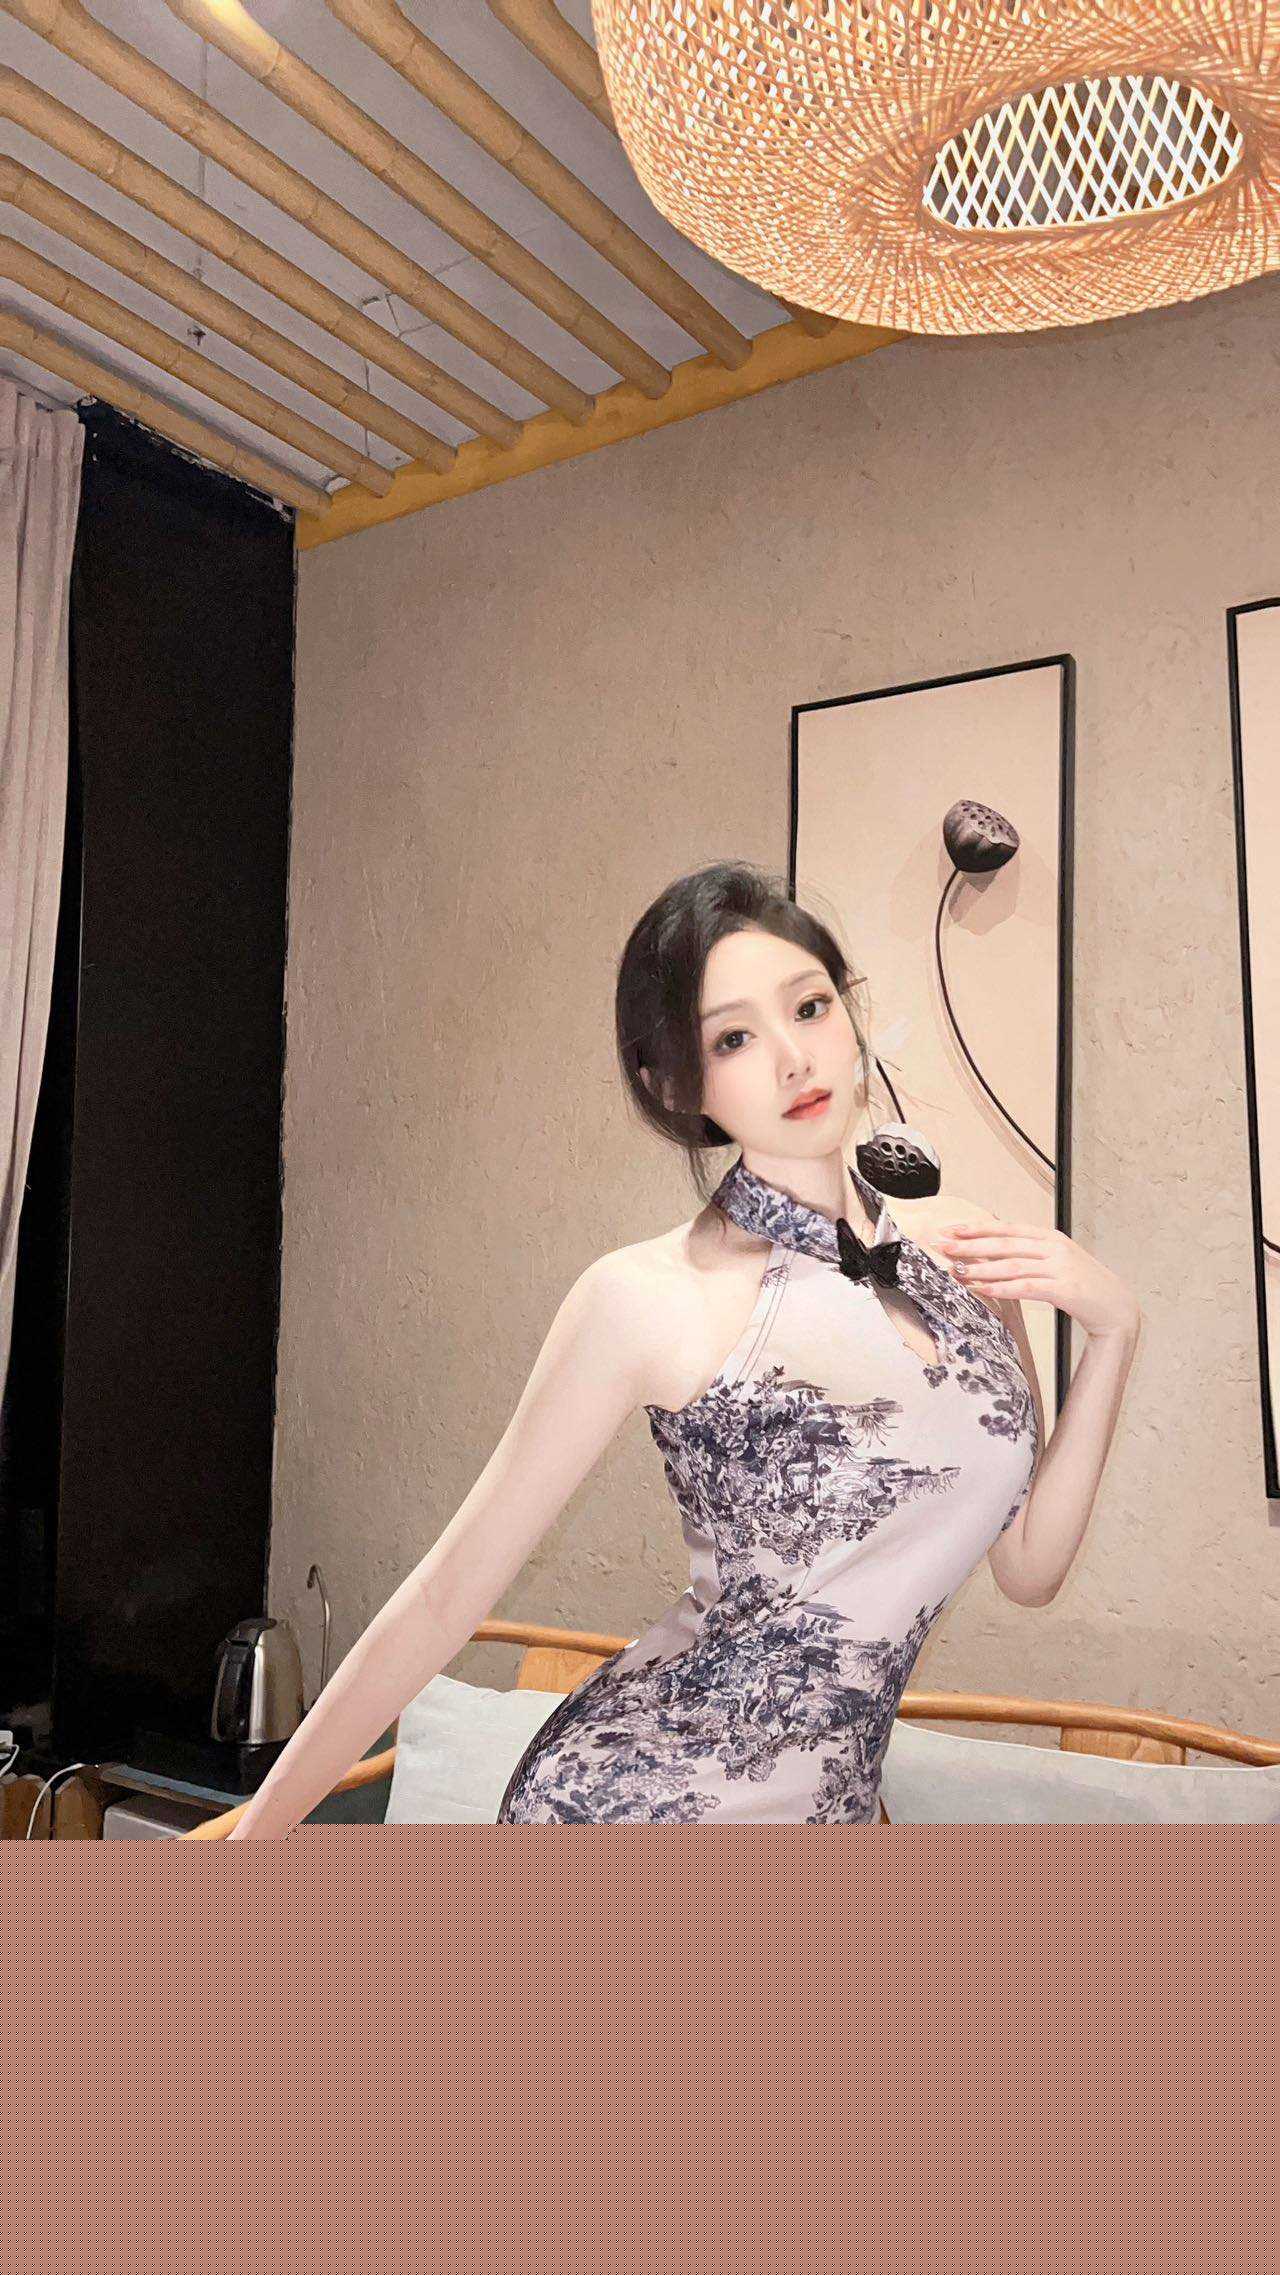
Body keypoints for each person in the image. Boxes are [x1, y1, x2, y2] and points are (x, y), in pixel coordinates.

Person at [226, 861, 1140, 1835]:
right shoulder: (648, 1296)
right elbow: (445, 1595)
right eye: (734, 1037)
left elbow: (1028, 1567)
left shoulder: (962, 1250)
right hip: (641, 1802)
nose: (793, 1057)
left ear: (850, 1011)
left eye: (810, 1006)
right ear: (676, 1081)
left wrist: (1114, 1332)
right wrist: (254, 1835)